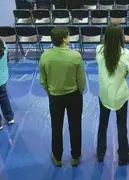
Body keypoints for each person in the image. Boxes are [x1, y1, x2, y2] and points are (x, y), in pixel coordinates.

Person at [39, 27, 86, 167]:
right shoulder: (75, 56)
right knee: (75, 125)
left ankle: (57, 156)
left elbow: (42, 80)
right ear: (65, 39)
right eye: (68, 35)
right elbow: (81, 81)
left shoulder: (45, 56)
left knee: (56, 126)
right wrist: (80, 92)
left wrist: (50, 91)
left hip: (55, 97)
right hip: (74, 96)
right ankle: (75, 156)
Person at [96, 25, 129, 165]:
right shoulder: (127, 54)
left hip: (104, 94)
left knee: (102, 124)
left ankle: (100, 153)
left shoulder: (99, 50)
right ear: (121, 37)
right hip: (120, 95)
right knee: (121, 125)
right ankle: (124, 156)